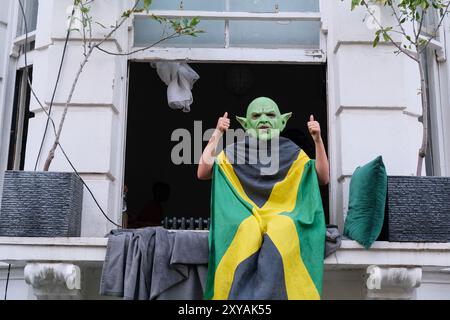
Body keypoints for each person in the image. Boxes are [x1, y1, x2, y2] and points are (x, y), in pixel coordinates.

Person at [198, 97, 329, 300]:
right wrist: (217, 132)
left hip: (282, 215)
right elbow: (203, 171)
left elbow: (323, 177)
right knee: (246, 229)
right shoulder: (235, 151)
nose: (263, 120)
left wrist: (318, 139)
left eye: (270, 115)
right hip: (247, 216)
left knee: (283, 227)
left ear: (282, 121)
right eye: (256, 116)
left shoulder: (293, 152)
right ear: (245, 123)